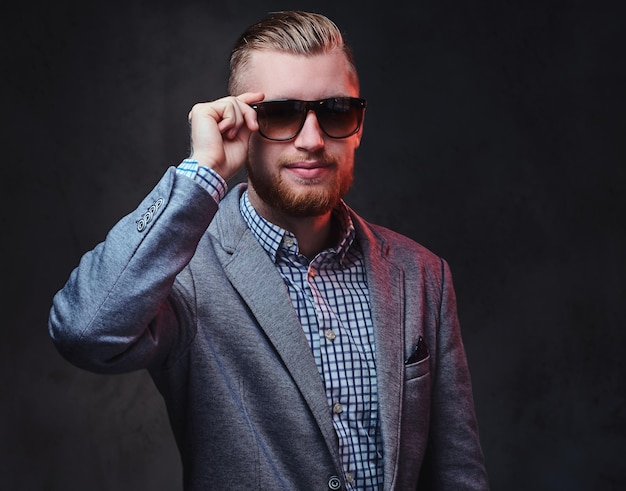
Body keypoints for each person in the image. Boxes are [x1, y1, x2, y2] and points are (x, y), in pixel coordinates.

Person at [49, 10, 489, 491]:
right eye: (281, 114)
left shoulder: (421, 273)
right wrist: (202, 175)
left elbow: (458, 473)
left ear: (359, 125)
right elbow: (84, 331)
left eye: (336, 111)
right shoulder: (183, 272)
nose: (313, 140)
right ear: (241, 123)